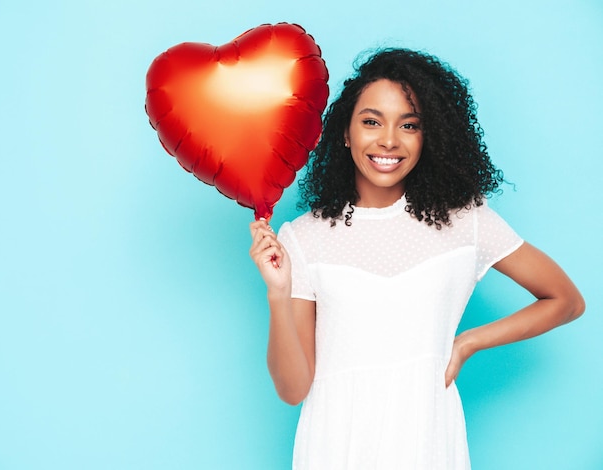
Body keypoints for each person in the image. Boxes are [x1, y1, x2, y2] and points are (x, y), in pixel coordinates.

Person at [249, 48, 585, 470]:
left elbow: (566, 300)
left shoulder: (467, 220)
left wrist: (469, 342)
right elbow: (293, 389)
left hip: (427, 441)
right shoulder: (304, 236)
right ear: (345, 133)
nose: (389, 140)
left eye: (409, 125)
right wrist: (278, 295)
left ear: (430, 136)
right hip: (334, 446)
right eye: (371, 121)